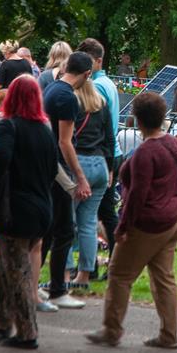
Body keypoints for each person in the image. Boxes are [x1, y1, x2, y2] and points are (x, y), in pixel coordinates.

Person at [86, 91, 177, 349]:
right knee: (164, 277)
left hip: (149, 222)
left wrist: (123, 227)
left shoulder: (146, 153)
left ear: (138, 121)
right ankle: (169, 335)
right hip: (173, 217)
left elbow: (137, 196)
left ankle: (111, 329)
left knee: (120, 275)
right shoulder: (174, 144)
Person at [0, 75, 58, 350]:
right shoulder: (45, 131)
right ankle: (2, 319)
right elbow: (52, 171)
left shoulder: (8, 126)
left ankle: (28, 332)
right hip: (41, 208)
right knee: (7, 264)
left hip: (15, 208)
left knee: (17, 270)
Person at [41, 52, 95, 310]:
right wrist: (80, 178)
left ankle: (30, 284)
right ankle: (57, 290)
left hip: (46, 168)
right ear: (87, 74)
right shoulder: (67, 98)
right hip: (58, 172)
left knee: (50, 231)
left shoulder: (52, 89)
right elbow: (65, 142)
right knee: (64, 230)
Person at [77, 38, 123, 270]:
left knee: (103, 214)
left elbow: (102, 125)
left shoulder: (98, 86)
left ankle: (112, 262)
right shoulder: (107, 83)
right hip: (109, 151)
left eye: (88, 61)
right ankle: (97, 263)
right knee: (101, 213)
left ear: (98, 60)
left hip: (105, 152)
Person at [69, 74, 114, 288]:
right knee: (88, 223)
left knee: (66, 221)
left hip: (78, 164)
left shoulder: (72, 104)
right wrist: (110, 168)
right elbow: (110, 139)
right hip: (100, 165)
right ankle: (84, 276)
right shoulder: (101, 104)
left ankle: (66, 273)